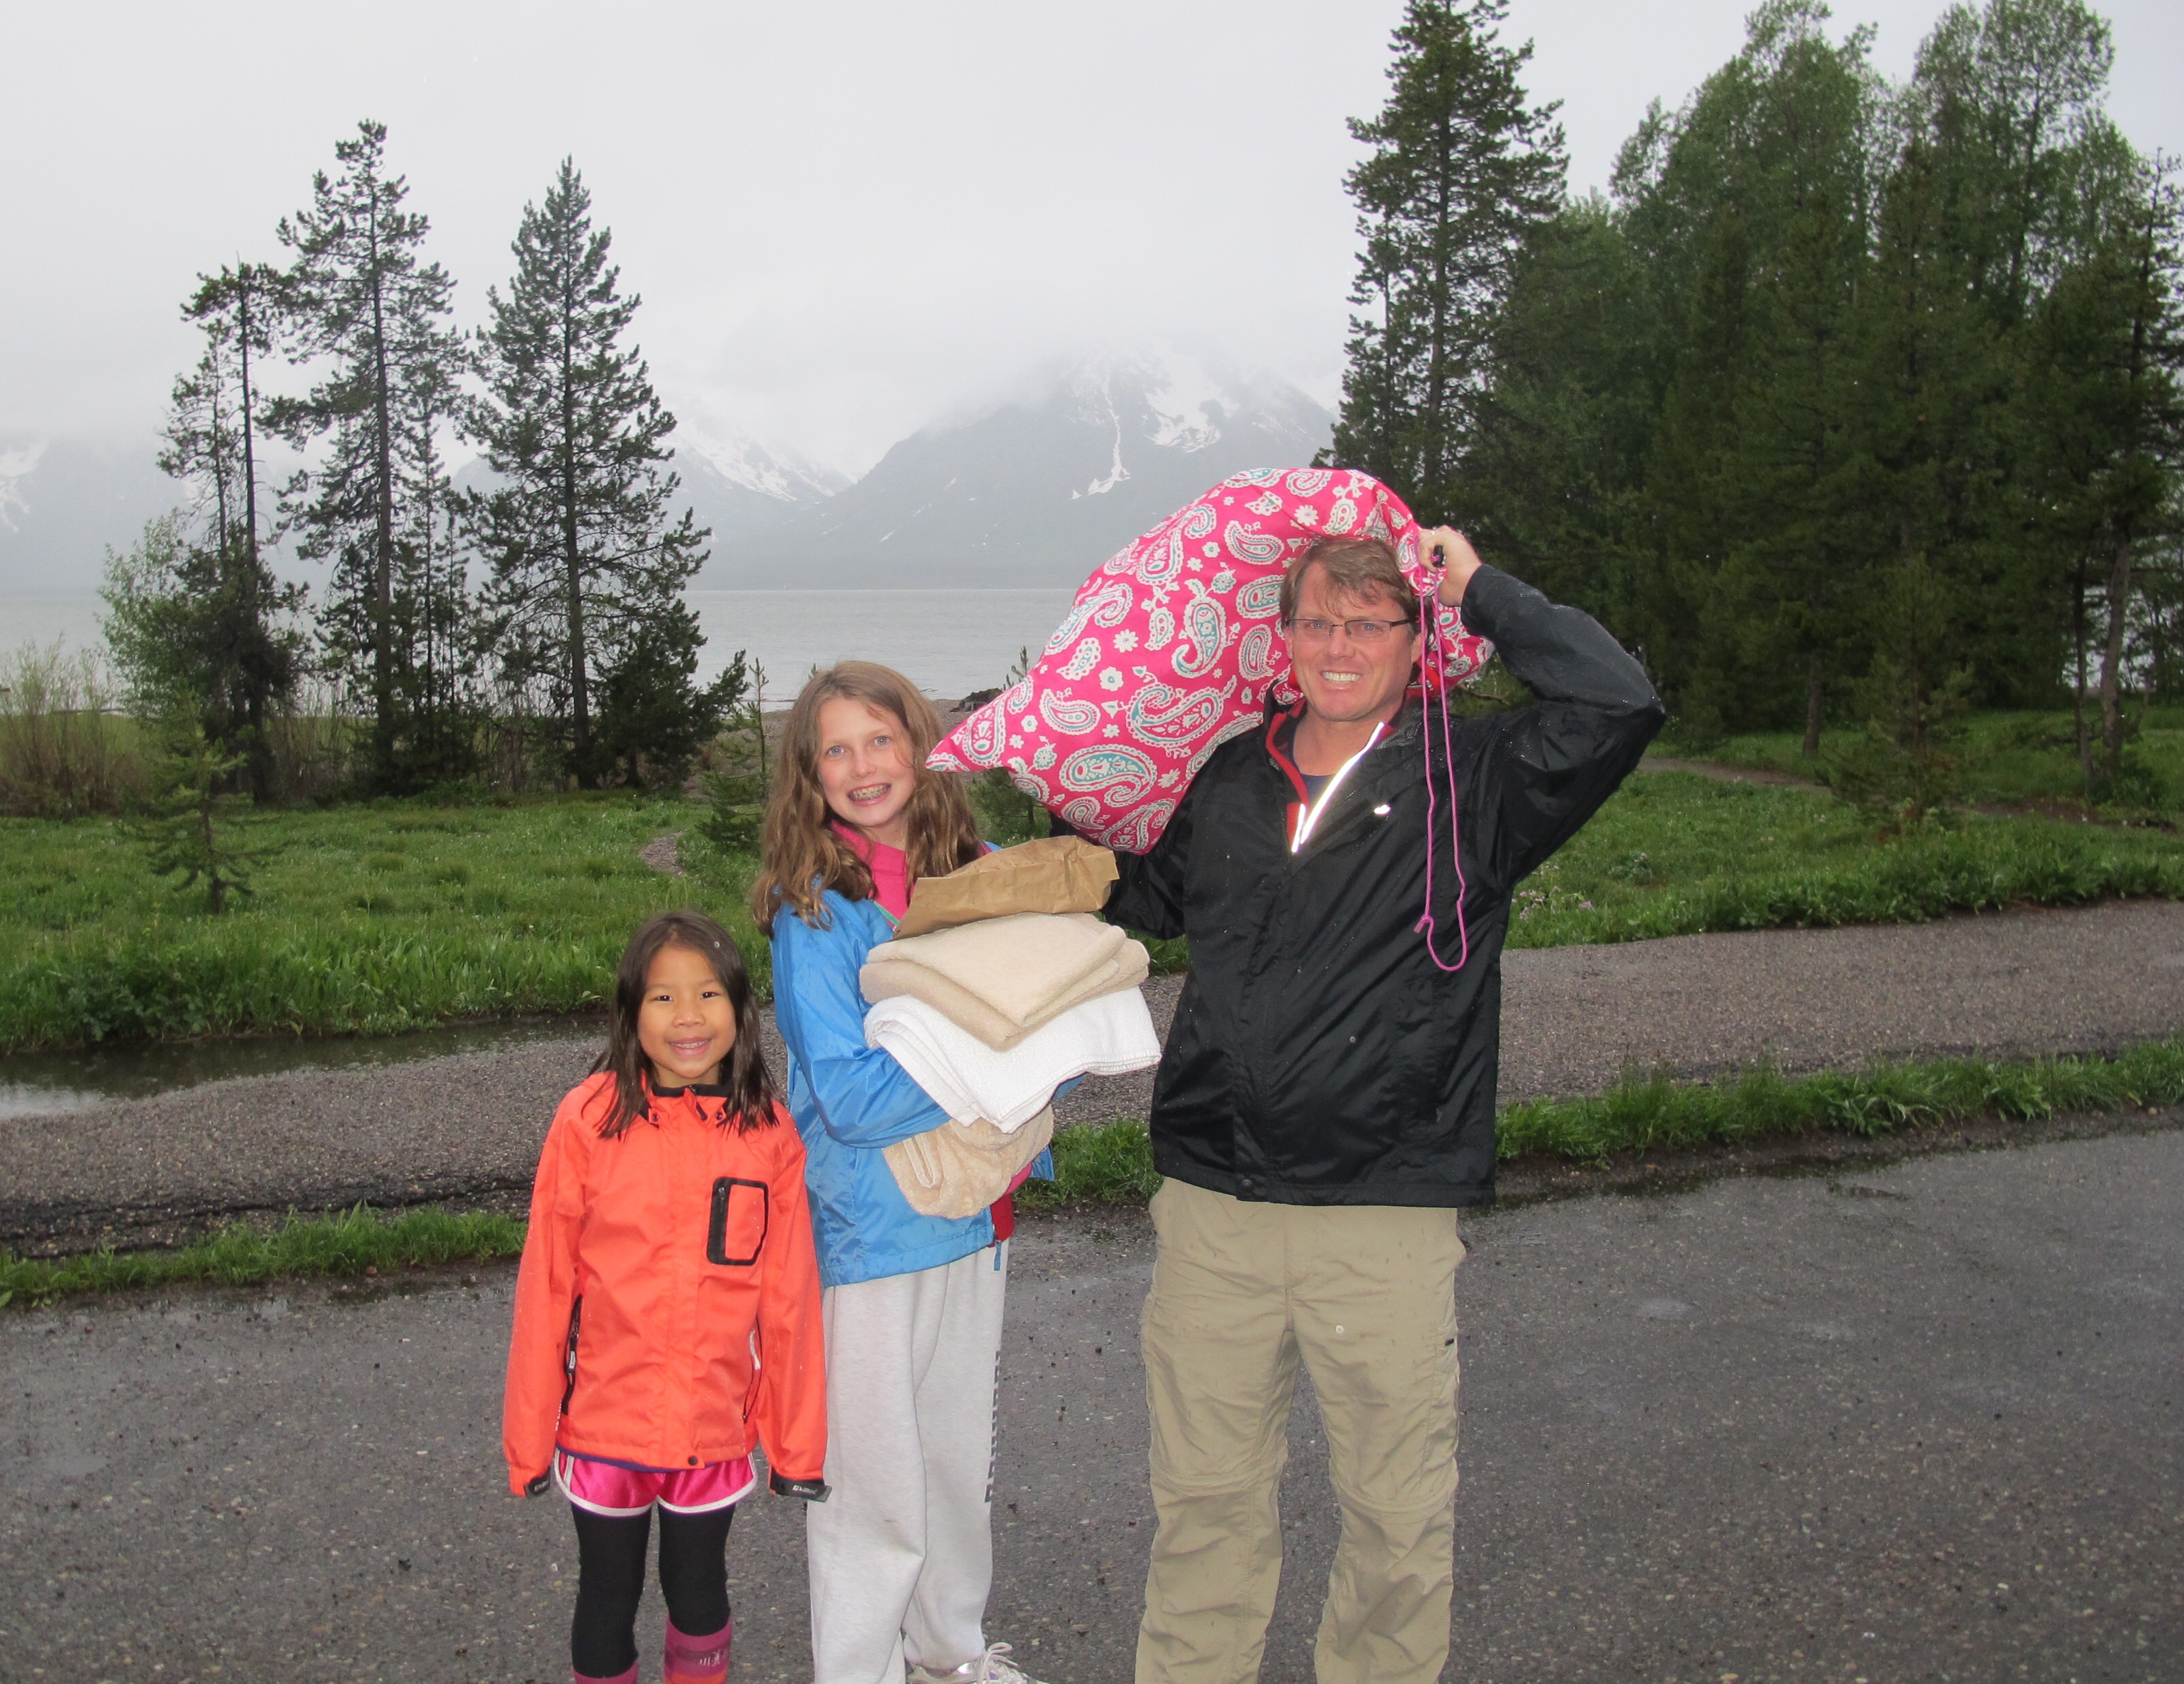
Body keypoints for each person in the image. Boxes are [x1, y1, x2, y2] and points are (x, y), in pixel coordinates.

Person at [1101, 529, 1664, 1684]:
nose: (1340, 645)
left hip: (1384, 1208)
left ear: (1416, 641)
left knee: (1394, 1523)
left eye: (1370, 622)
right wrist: (1042, 809)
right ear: (1285, 638)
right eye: (1318, 620)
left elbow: (1617, 703)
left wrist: (1481, 588)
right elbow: (1143, 897)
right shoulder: (1232, 776)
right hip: (1214, 1204)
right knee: (1203, 1507)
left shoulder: (1477, 780)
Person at [752, 661, 1053, 1684]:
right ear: (810, 777)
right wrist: (992, 1061)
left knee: (955, 1462)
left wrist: (1028, 1053)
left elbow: (1056, 1014)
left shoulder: (986, 874)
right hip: (872, 1230)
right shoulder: (813, 912)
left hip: (977, 1211)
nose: (862, 765)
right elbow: (847, 1094)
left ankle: (949, 1655)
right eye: (835, 750)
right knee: (873, 1482)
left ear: (922, 747)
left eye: (880, 738)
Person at [504, 910, 827, 1684]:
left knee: (700, 1589)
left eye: (708, 994)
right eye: (663, 998)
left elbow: (789, 1301)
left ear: (741, 1009)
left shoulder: (769, 1135)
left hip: (710, 1428)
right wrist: (529, 1438)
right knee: (606, 1595)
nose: (688, 1017)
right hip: (605, 1428)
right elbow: (546, 1287)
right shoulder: (587, 1121)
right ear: (630, 1012)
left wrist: (796, 1448)